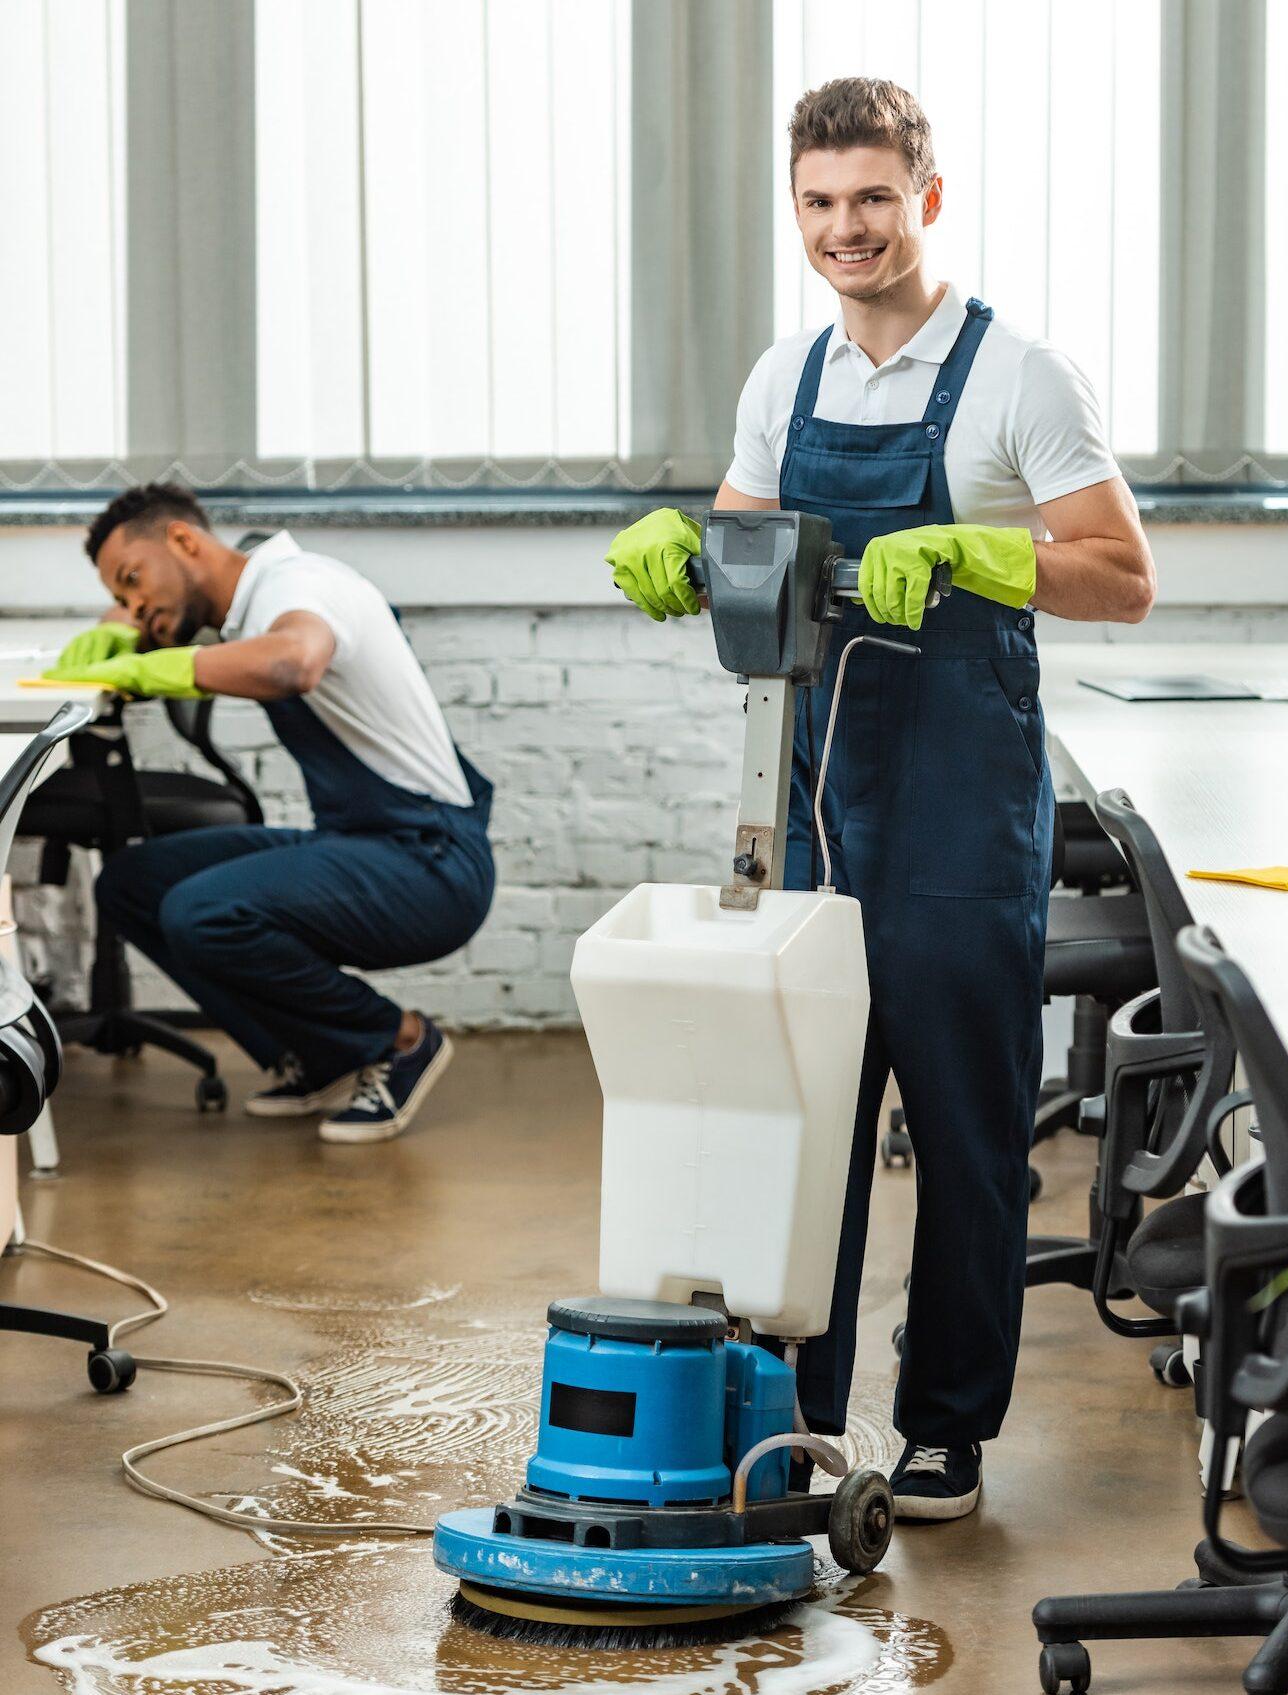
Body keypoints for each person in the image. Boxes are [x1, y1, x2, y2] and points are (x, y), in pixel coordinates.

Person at [603, 78, 1156, 1519]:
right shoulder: (784, 378)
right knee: (798, 1117)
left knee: (967, 1130)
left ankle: (945, 1427)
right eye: (817, 203)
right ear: (794, 212)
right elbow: (746, 535)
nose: (845, 229)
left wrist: (983, 557)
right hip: (809, 800)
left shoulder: (1018, 375)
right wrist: (691, 540)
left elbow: (1123, 574)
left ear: (926, 198)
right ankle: (794, 1417)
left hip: (961, 818)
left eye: (869, 198)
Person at [45, 483, 494, 1144]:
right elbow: (162, 614)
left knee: (202, 911)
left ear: (184, 540)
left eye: (133, 579)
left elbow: (293, 662)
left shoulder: (296, 584)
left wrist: (153, 670)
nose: (136, 603)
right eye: (122, 592)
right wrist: (119, 625)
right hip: (370, 841)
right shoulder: (248, 600)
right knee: (132, 884)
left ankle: (399, 1041)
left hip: (431, 861)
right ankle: (324, 1059)